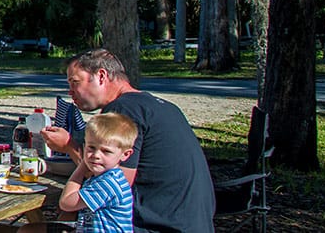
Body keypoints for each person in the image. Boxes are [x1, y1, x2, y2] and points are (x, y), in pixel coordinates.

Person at [41, 49, 215, 233]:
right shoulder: (160, 106)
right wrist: (49, 166)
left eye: (75, 82)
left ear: (101, 76)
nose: (70, 92)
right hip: (194, 222)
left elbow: (114, 179)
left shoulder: (122, 111)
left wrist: (69, 145)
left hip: (157, 225)